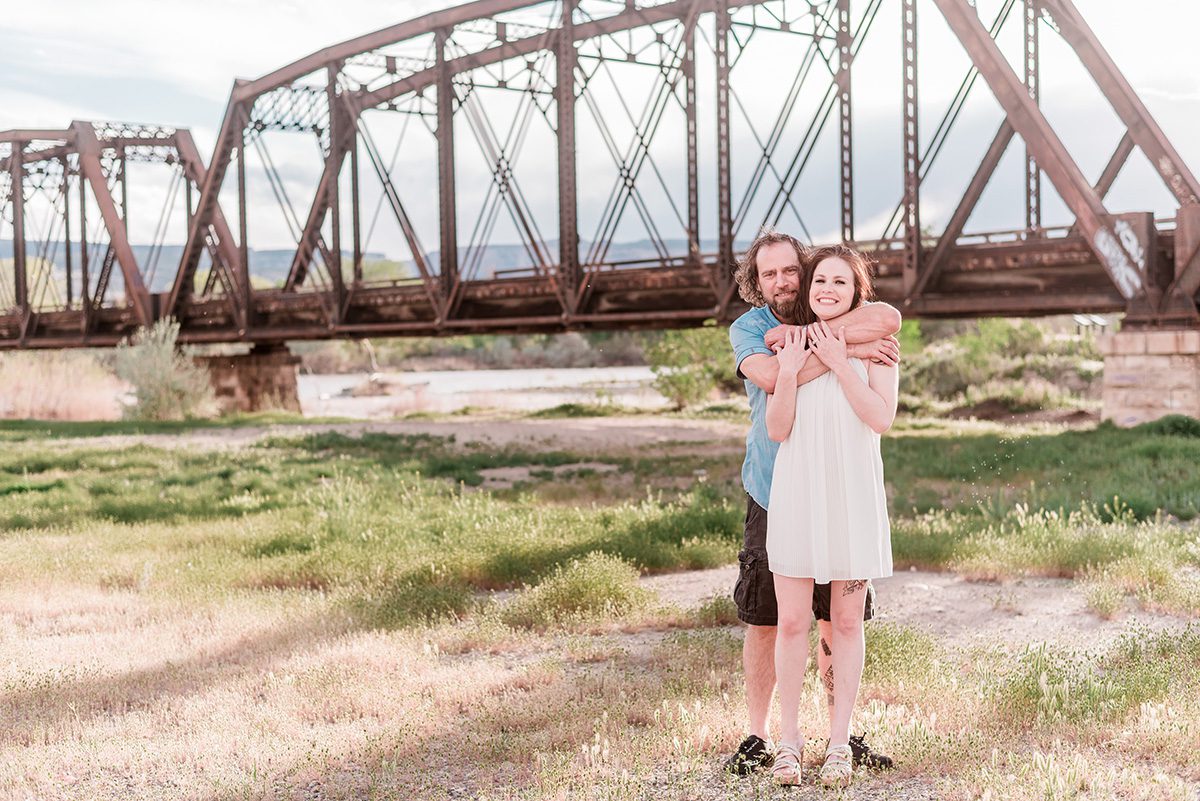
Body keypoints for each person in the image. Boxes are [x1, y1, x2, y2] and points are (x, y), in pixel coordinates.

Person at [724, 230, 900, 778]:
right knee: (769, 617)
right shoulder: (752, 328)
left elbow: (889, 318)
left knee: (840, 620)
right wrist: (847, 349)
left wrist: (831, 345)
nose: (782, 281)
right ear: (756, 283)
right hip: (777, 488)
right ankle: (763, 736)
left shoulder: (818, 312)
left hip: (843, 489)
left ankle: (839, 738)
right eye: (768, 274)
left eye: (789, 271)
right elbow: (778, 379)